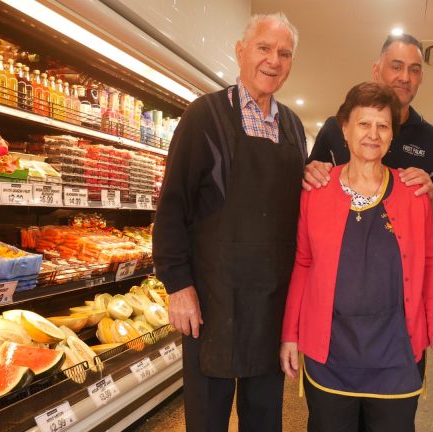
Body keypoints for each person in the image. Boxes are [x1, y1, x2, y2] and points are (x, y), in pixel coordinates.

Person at [152, 13, 306, 432]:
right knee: (207, 419)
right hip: (213, 300)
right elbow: (172, 205)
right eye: (264, 48)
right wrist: (177, 285)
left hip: (271, 303)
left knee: (265, 418)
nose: (273, 60)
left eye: (284, 53)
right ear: (241, 51)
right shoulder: (205, 115)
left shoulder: (292, 126)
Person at [280, 82, 433, 432]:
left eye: (383, 125)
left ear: (392, 136)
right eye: (364, 124)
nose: (373, 134)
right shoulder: (316, 190)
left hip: (396, 354)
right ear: (344, 129)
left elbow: (427, 265)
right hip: (330, 353)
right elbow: (302, 263)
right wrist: (290, 333)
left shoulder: (413, 192)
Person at [304, 34, 433, 225]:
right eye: (396, 66)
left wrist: (430, 195)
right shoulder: (335, 128)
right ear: (376, 71)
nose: (405, 77)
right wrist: (309, 173)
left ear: (421, 78)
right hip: (341, 247)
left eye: (414, 70)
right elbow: (308, 189)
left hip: (403, 251)